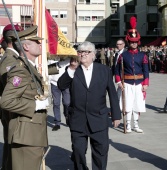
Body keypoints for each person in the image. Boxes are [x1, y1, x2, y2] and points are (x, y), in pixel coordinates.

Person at [58, 41, 121, 170]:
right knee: (78, 151)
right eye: (80, 51)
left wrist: (116, 115)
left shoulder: (104, 70)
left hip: (99, 118)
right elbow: (61, 85)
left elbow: (112, 93)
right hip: (78, 119)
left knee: (101, 152)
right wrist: (71, 69)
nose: (83, 54)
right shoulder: (72, 70)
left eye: (87, 52)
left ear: (93, 55)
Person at [0, 25, 49, 170]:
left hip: (32, 135)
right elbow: (7, 101)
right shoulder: (21, 70)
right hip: (25, 136)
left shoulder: (29, 67)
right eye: (36, 42)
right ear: (26, 46)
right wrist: (36, 105)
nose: (40, 44)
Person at [115, 16, 149, 133]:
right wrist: (119, 82)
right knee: (128, 105)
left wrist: (145, 84)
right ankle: (128, 125)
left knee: (137, 105)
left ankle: (136, 125)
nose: (134, 44)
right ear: (128, 42)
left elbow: (146, 71)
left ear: (138, 42)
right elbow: (117, 70)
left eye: (135, 42)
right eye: (132, 42)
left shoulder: (143, 55)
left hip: (139, 84)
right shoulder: (123, 56)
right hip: (127, 84)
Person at [0, 24, 24, 170]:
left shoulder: (13, 56)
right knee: (12, 143)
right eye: (21, 37)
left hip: (11, 108)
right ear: (13, 39)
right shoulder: (10, 59)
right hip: (11, 109)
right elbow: (13, 82)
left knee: (11, 142)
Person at [48, 57, 70, 131]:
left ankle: (67, 116)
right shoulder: (51, 59)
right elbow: (49, 71)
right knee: (56, 103)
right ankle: (57, 122)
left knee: (67, 103)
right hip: (54, 84)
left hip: (65, 84)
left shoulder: (68, 59)